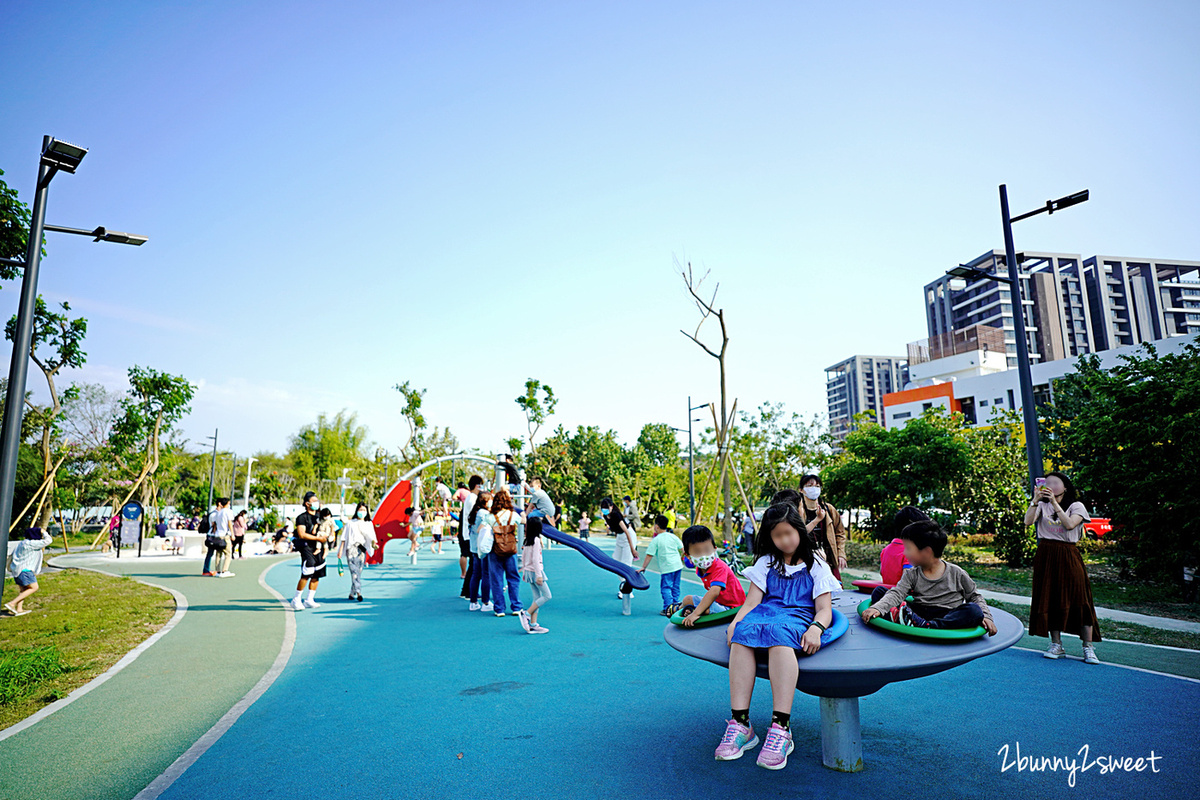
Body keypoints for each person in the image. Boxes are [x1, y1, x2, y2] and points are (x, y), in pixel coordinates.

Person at [718, 503, 842, 769]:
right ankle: (741, 724)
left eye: (788, 533)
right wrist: (735, 623)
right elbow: (751, 603)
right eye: (777, 535)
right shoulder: (766, 562)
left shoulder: (816, 564)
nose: (784, 540)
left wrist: (816, 628)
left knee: (779, 636)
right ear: (770, 537)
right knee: (742, 634)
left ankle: (781, 727)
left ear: (799, 529)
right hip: (766, 613)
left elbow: (824, 609)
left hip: (797, 617)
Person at [863, 520, 998, 633]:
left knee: (973, 611)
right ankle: (911, 620)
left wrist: (986, 616)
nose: (904, 553)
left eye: (908, 548)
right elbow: (897, 593)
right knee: (879, 592)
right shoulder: (912, 573)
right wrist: (878, 608)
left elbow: (974, 596)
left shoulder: (957, 573)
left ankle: (928, 626)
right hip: (918, 613)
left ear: (927, 551)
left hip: (947, 614)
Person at [1026, 471, 1101, 664]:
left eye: (1055, 482)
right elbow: (1028, 522)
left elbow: (1069, 525)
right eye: (1047, 482)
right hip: (1046, 553)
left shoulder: (1077, 506)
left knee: (1080, 598)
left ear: (1065, 487)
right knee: (1050, 598)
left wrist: (1054, 504)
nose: (1050, 485)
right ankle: (1056, 644)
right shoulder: (1041, 504)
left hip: (1068, 553)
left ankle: (1088, 647)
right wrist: (1035, 501)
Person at [678, 524, 746, 626]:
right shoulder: (701, 569)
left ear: (714, 549)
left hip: (733, 608)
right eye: (697, 552)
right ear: (688, 556)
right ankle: (679, 608)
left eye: (707, 550)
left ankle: (687, 610)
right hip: (720, 603)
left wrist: (696, 613)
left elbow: (714, 591)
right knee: (688, 600)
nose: (703, 556)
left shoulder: (719, 567)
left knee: (699, 607)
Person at [637, 515, 684, 615]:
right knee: (675, 587)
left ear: (656, 526)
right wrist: (681, 558)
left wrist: (643, 567)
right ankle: (675, 607)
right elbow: (683, 549)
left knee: (666, 588)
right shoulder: (673, 537)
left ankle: (668, 608)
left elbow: (649, 555)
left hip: (667, 568)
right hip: (677, 566)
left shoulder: (656, 540)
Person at [488, 490, 525, 618]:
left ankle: (499, 608)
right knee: (513, 577)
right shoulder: (512, 514)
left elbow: (482, 529)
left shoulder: (490, 517)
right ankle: (516, 606)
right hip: (510, 549)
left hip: (495, 549)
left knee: (496, 579)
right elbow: (523, 522)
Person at [599, 497, 638, 614]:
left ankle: (628, 590)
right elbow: (616, 531)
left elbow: (626, 531)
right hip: (620, 538)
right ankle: (624, 584)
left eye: (607, 508)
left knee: (626, 564)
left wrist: (633, 549)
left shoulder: (616, 515)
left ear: (611, 506)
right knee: (615, 562)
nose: (605, 510)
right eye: (603, 508)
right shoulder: (606, 516)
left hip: (628, 536)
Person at [291, 492, 328, 610]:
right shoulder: (301, 517)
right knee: (308, 571)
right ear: (307, 504)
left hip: (319, 546)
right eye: (314, 501)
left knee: (317, 572)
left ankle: (309, 599)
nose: (317, 503)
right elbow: (302, 534)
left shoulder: (319, 516)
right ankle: (296, 599)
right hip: (306, 546)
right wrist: (317, 538)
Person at [4, 527, 54, 616]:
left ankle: (19, 609)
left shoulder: (22, 543)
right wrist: (43, 531)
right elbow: (49, 540)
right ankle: (12, 603)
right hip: (25, 570)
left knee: (24, 590)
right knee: (34, 587)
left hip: (16, 570)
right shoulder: (32, 543)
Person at [339, 502, 377, 602]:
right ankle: (359, 592)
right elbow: (344, 537)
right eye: (360, 510)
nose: (362, 512)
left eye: (364, 510)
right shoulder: (350, 523)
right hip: (351, 548)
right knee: (354, 571)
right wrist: (340, 550)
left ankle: (352, 593)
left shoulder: (368, 524)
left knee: (358, 571)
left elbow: (372, 537)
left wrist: (373, 544)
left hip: (362, 550)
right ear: (357, 511)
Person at [519, 517, 551, 634]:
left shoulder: (528, 540)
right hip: (535, 571)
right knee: (547, 596)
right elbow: (536, 559)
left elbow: (524, 557)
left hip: (529, 571)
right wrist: (539, 575)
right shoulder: (536, 540)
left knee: (536, 598)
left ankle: (533, 624)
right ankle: (526, 614)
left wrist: (524, 569)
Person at [880, 506, 925, 584]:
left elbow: (881, 572)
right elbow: (908, 579)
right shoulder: (910, 552)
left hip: (888, 592)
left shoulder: (885, 550)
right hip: (903, 594)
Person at [468, 489, 494, 612]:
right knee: (486, 574)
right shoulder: (484, 514)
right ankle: (485, 602)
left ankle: (473, 601)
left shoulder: (475, 512)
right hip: (483, 548)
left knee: (476, 574)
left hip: (474, 547)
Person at [460, 475, 484, 601]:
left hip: (469, 534)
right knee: (474, 565)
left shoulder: (471, 497)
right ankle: (469, 591)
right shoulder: (473, 498)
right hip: (470, 535)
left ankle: (466, 590)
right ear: (477, 485)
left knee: (473, 565)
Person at [208, 498, 235, 578]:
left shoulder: (218, 512)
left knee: (218, 553)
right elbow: (229, 523)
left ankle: (218, 570)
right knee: (228, 553)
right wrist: (232, 534)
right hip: (225, 534)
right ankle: (225, 570)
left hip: (217, 534)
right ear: (228, 503)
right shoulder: (228, 511)